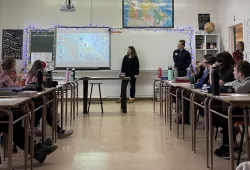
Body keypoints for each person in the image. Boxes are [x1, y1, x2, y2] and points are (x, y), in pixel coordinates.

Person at [0, 57, 58, 162]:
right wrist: (18, 78)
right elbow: (15, 86)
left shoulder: (7, 76)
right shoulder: (6, 76)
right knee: (14, 122)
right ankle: (38, 149)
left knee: (16, 121)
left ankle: (38, 149)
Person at [25, 60, 74, 138]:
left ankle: (34, 127)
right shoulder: (41, 76)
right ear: (42, 68)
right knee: (45, 106)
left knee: (42, 106)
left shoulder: (28, 75)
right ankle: (59, 131)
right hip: (33, 100)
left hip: (29, 100)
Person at [214, 61, 250, 159]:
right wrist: (232, 85)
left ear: (240, 73)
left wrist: (231, 86)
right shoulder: (239, 81)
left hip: (247, 112)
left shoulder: (248, 82)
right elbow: (225, 85)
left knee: (226, 116)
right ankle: (230, 142)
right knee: (221, 113)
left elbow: (238, 89)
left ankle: (229, 146)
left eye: (235, 70)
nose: (233, 72)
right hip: (243, 109)